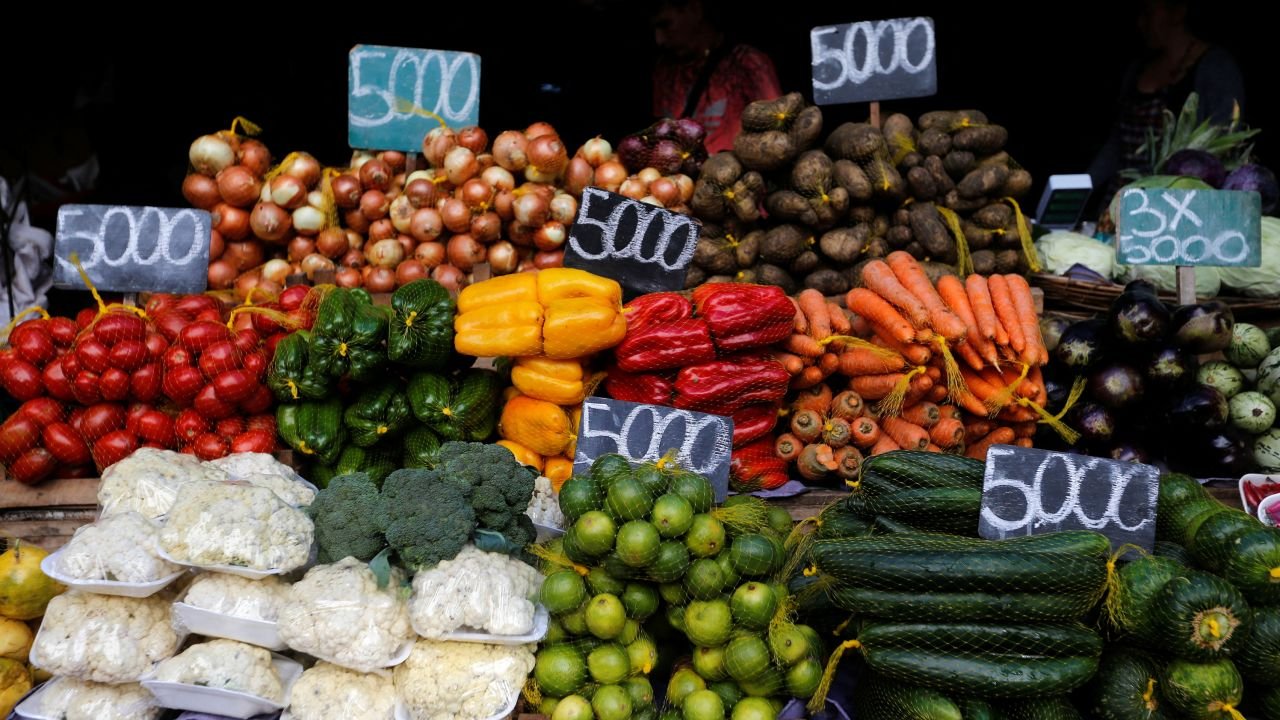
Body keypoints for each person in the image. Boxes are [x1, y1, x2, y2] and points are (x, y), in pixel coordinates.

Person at [1089, 0, 1245, 199]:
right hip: (1122, 198)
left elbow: (1224, 138)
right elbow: (1117, 144)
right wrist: (1082, 185)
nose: (1141, 23)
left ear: (1178, 12)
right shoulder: (1137, 70)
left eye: (1148, 13)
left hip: (1179, 201)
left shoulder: (1216, 68)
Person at [650, 0, 782, 154]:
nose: (659, 40)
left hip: (737, 173)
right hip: (679, 175)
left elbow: (778, 130)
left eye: (666, 25)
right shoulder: (664, 70)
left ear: (694, 10)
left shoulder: (747, 63)